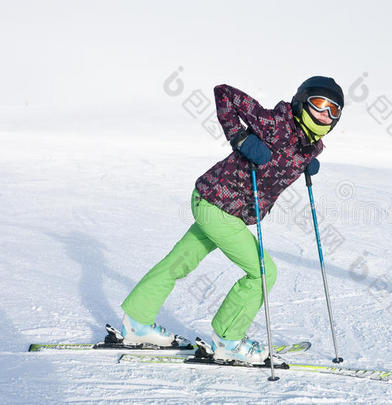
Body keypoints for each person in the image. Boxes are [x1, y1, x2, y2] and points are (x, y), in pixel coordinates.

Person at [118, 76, 344, 364]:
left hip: (218, 204)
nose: (324, 114)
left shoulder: (309, 146)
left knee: (179, 261)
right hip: (218, 204)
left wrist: (304, 162)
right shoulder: (276, 122)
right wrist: (240, 137)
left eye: (333, 110)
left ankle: (136, 322)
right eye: (319, 104)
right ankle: (228, 340)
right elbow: (224, 94)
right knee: (263, 272)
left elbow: (286, 155)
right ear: (302, 101)